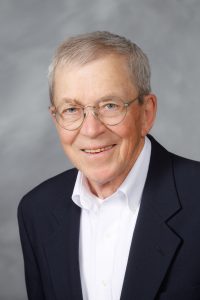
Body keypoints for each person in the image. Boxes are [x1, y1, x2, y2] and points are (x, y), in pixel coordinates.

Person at [18, 31, 200, 300]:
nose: (91, 129)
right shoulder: (37, 211)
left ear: (146, 113)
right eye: (71, 109)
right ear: (55, 118)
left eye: (110, 105)